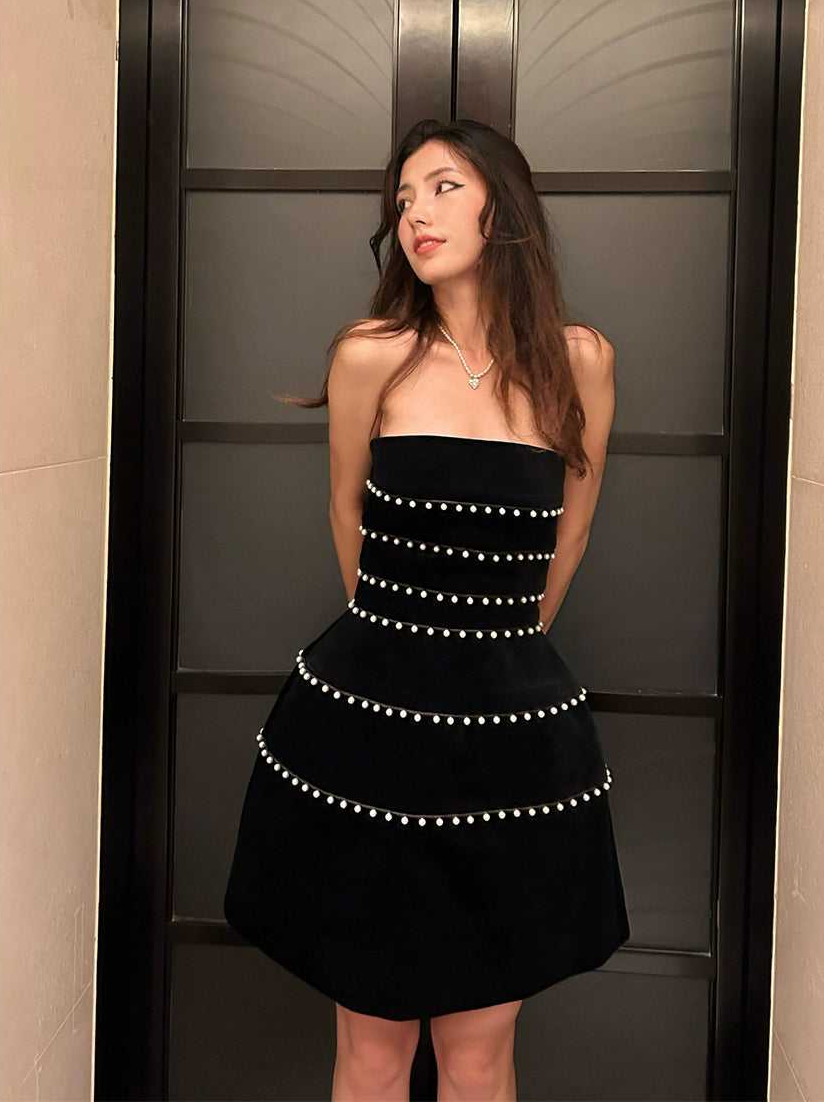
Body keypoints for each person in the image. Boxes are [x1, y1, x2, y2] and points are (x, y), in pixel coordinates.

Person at [224, 118, 630, 1102]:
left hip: (509, 746)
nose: (415, 214)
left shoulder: (580, 360)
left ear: (503, 205)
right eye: (403, 198)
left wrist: (497, 653)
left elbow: (570, 537)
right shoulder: (371, 355)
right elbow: (346, 519)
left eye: (443, 187)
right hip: (369, 731)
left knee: (479, 1058)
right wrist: (405, 646)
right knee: (372, 1056)